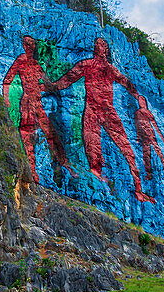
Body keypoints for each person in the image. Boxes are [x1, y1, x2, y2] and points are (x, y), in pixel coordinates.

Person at [45, 38, 154, 203]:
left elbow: (126, 83)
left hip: (108, 111)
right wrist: (51, 86)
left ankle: (138, 189)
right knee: (92, 147)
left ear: (106, 51)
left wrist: (138, 97)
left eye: (101, 46)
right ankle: (97, 177)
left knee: (127, 149)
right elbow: (66, 80)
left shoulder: (111, 69)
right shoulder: (86, 65)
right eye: (96, 46)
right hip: (91, 111)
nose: (98, 48)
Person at [2, 36, 74, 183]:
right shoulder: (21, 60)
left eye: (32, 44)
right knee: (28, 134)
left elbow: (48, 83)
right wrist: (6, 99)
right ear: (23, 45)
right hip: (27, 103)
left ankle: (63, 161)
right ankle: (32, 170)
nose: (30, 46)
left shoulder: (36, 65)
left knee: (50, 132)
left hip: (38, 103)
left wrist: (51, 85)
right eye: (27, 44)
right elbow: (7, 80)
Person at [133, 94, 164, 182]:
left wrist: (162, 137)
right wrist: (138, 138)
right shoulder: (137, 113)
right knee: (146, 156)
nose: (141, 102)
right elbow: (137, 126)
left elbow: (155, 125)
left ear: (145, 102)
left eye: (143, 100)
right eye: (140, 101)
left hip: (151, 135)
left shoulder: (148, 112)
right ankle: (149, 174)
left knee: (159, 153)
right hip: (144, 137)